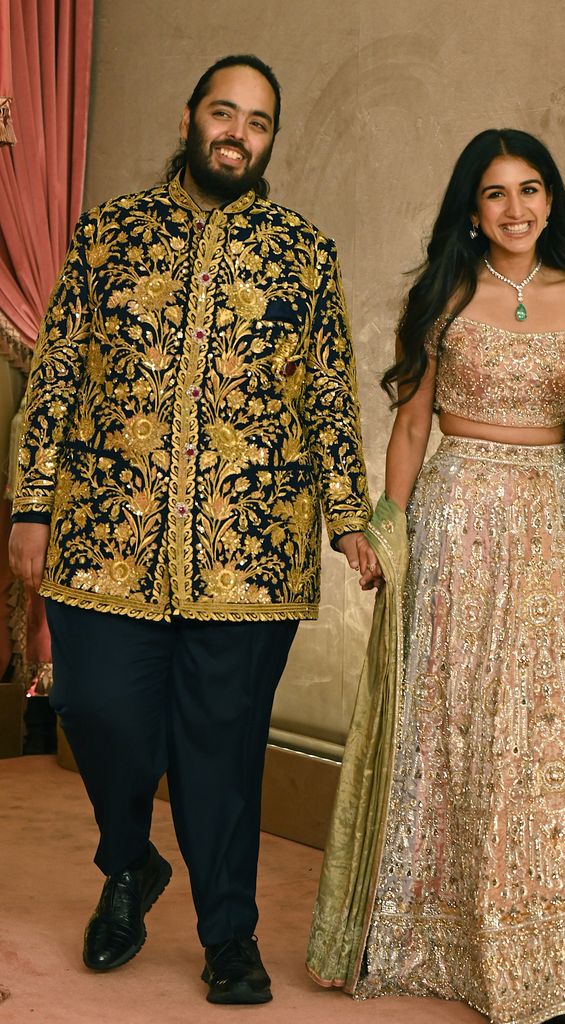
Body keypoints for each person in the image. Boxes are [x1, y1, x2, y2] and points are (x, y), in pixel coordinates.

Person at [9, 53, 377, 1006]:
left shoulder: (303, 250)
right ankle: (129, 863)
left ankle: (229, 938)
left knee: (222, 750)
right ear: (190, 119)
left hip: (249, 549)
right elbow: (55, 375)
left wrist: (348, 519)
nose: (237, 133)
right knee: (95, 711)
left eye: (257, 122)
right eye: (225, 113)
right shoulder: (109, 234)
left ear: (268, 142)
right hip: (103, 535)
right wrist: (31, 503)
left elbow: (330, 394)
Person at [306, 128, 565, 1023]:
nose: (516, 208)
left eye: (531, 190)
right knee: (457, 722)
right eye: (495, 194)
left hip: (550, 520)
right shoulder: (443, 294)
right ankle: (444, 940)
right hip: (456, 516)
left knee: (564, 726)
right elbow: (408, 429)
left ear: (551, 200)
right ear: (470, 213)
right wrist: (385, 533)